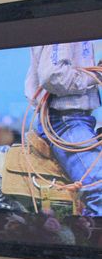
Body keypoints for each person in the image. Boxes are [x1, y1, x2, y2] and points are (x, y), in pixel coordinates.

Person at [25, 41, 102, 216]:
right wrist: (95, 75)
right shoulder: (65, 30)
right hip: (65, 121)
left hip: (81, 119)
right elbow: (53, 76)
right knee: (100, 188)